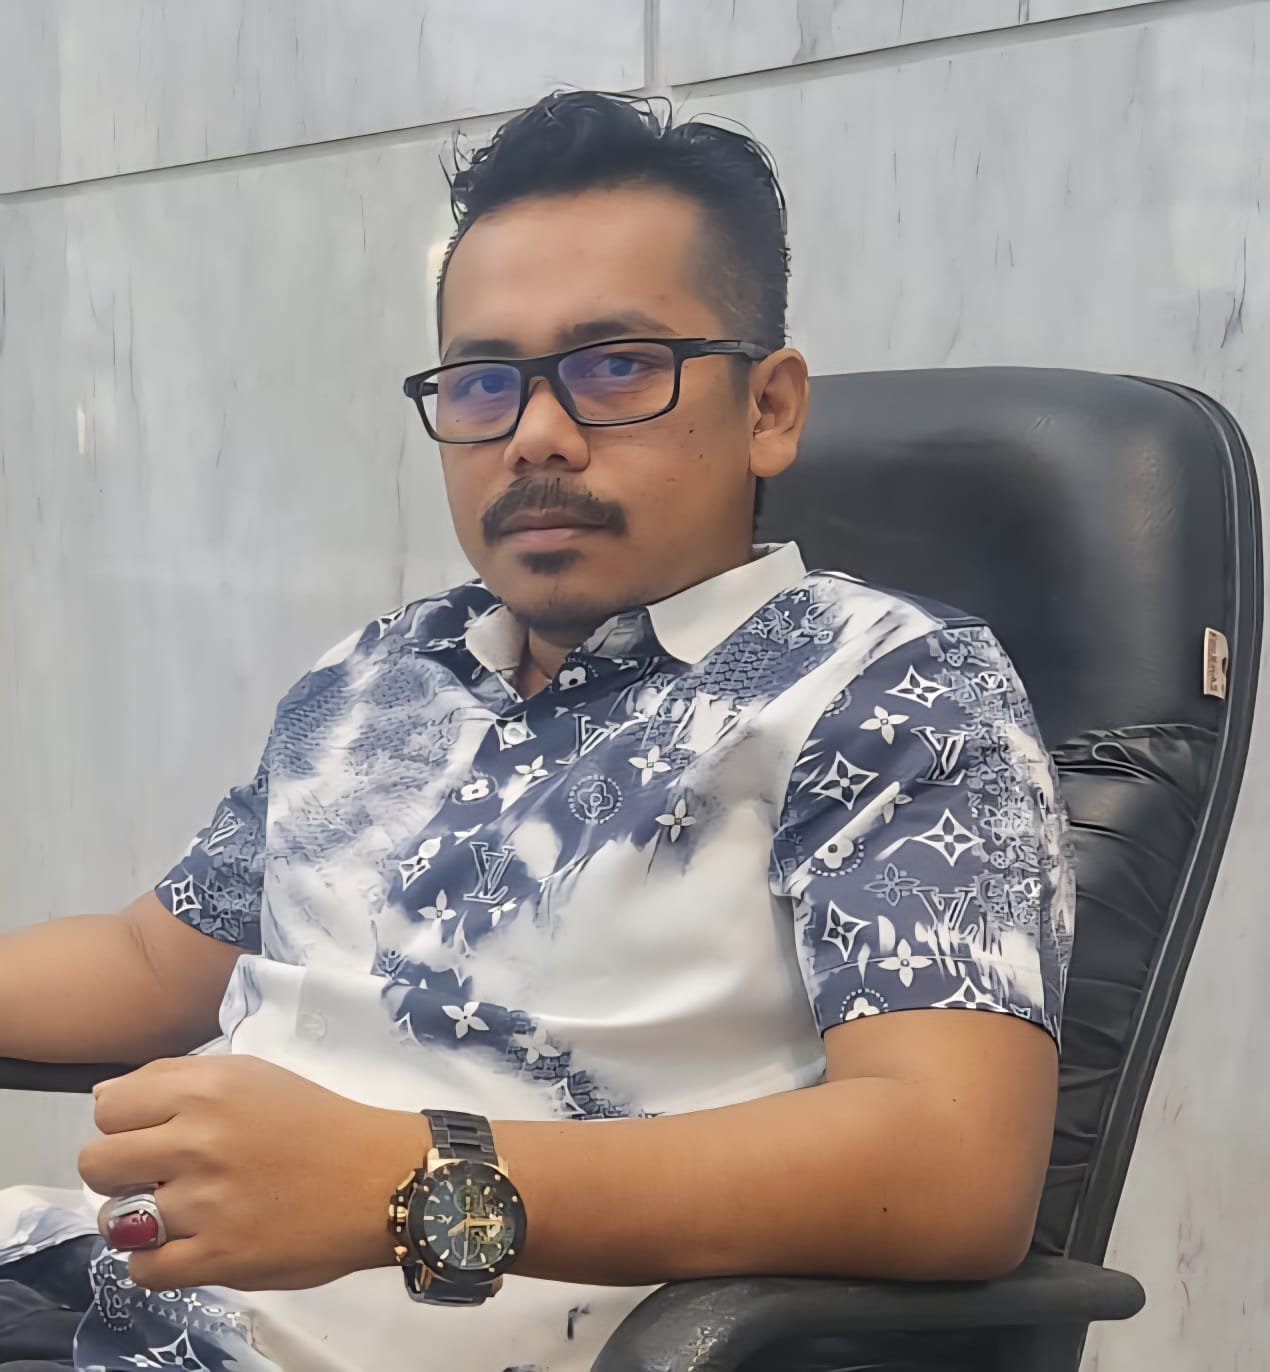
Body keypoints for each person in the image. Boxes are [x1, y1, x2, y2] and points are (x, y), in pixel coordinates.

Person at [0, 91, 1074, 1372]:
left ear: (769, 408)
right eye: (482, 383)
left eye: (616, 367)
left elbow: (952, 1164)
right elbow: (149, 957)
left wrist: (405, 1182)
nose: (536, 436)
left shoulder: (884, 687)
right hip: (112, 1294)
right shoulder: (383, 674)